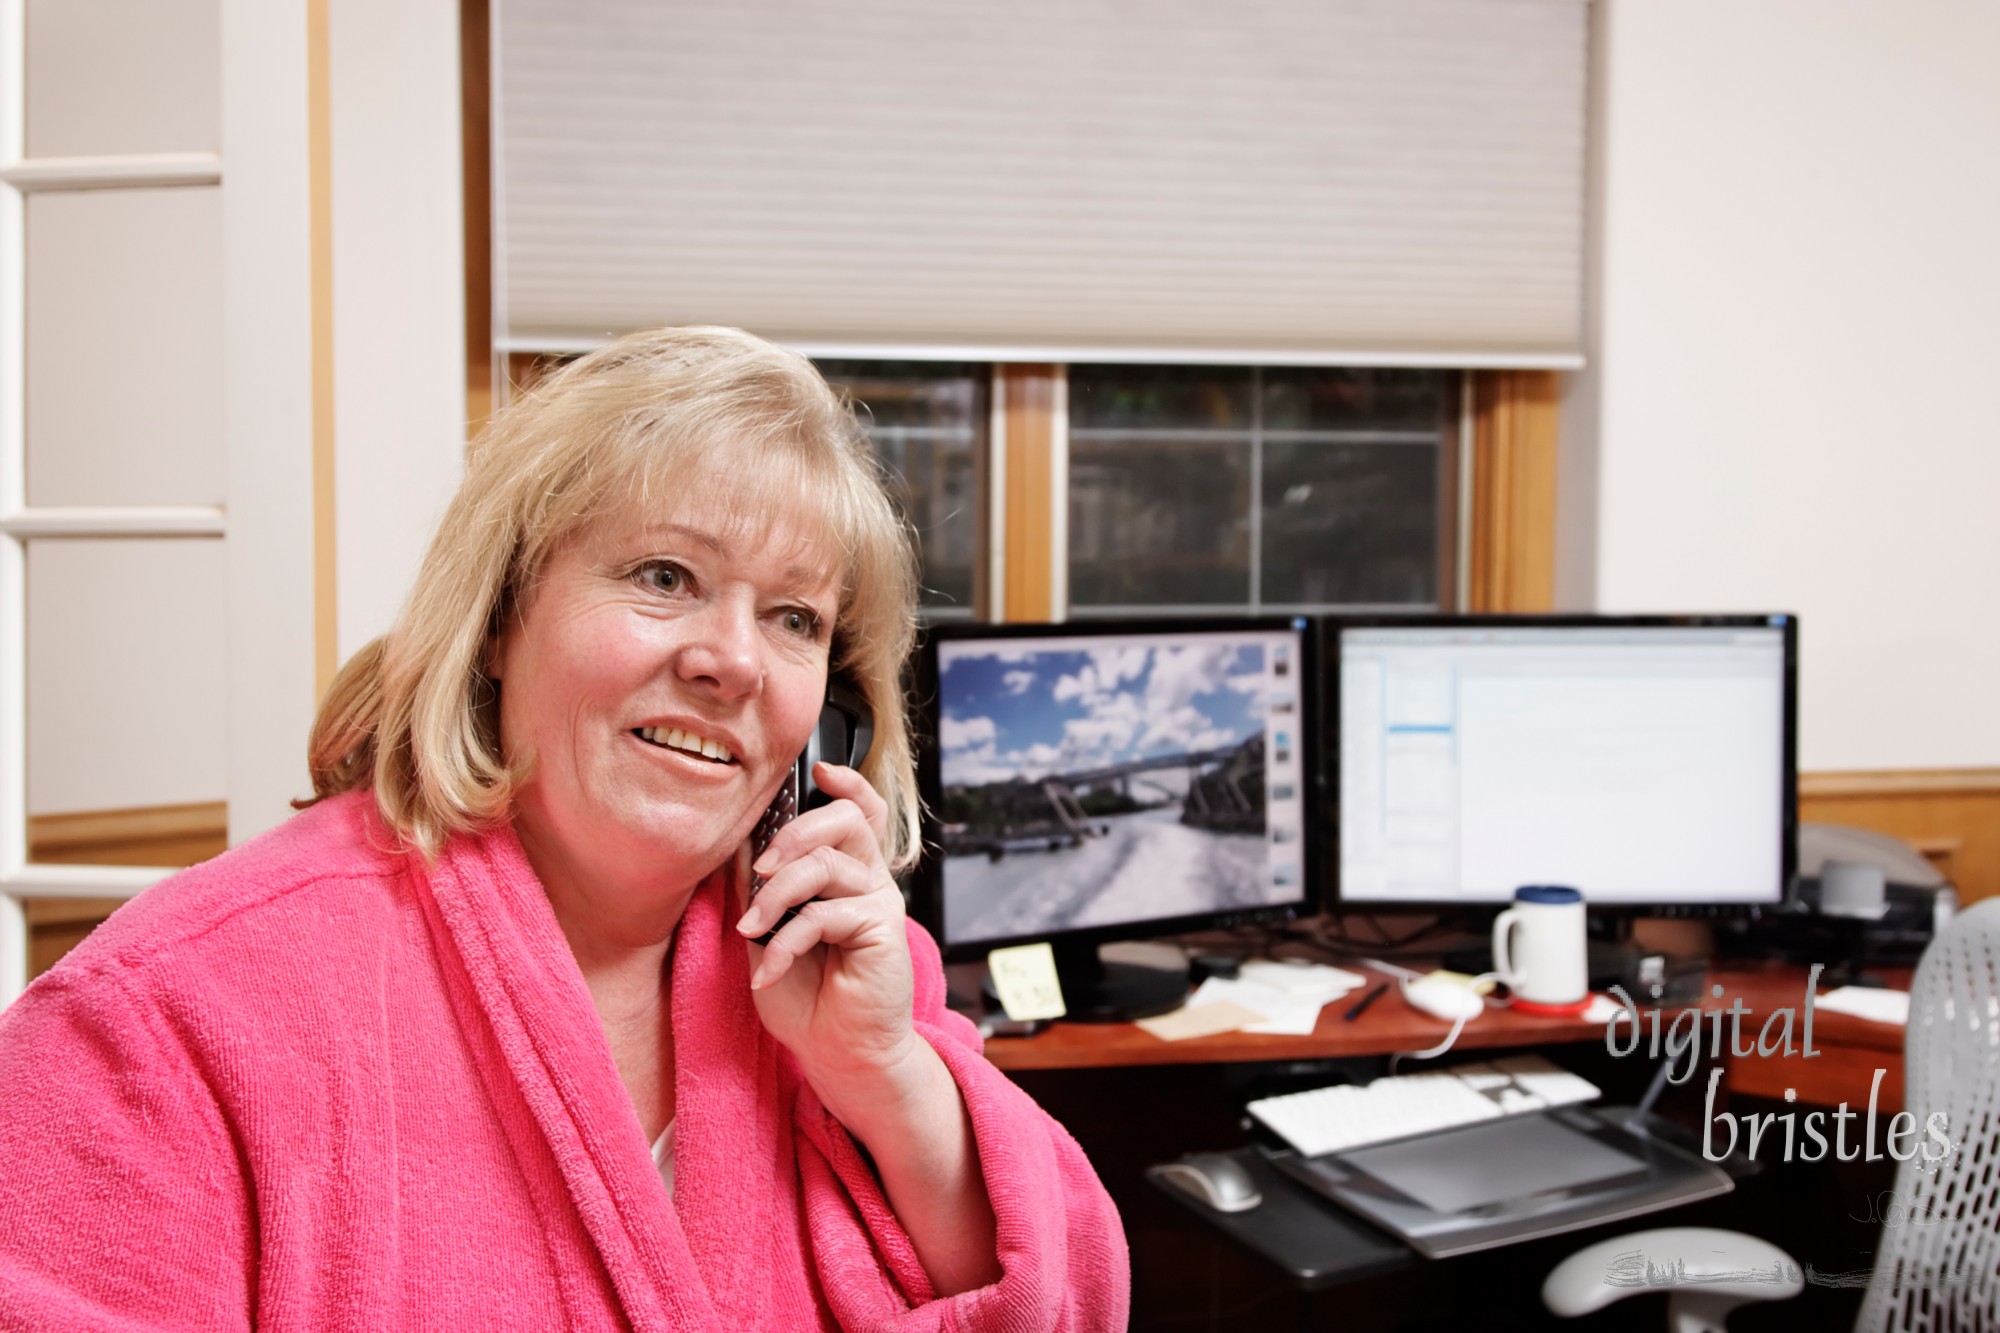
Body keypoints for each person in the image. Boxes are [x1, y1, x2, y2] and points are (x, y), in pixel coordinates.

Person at [0, 327, 1130, 1329]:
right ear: (497, 619)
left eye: (793, 617)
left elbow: (1067, 1303)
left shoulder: (843, 977)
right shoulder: (157, 1018)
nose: (731, 659)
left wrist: (885, 1074)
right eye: (662, 574)